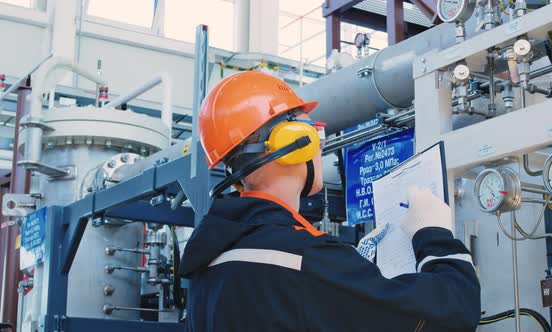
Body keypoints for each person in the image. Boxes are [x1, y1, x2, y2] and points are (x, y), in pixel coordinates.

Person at [179, 71, 481, 332]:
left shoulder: (208, 263)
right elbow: (453, 311)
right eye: (315, 134)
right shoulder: (302, 259)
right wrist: (435, 236)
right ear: (294, 141)